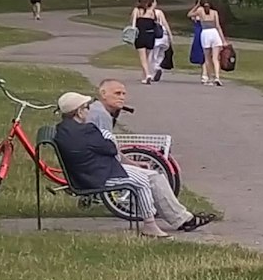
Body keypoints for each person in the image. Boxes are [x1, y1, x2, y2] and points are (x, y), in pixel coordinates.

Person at [80, 80, 216, 233]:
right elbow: (107, 149)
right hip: (99, 169)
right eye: (117, 93)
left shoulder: (97, 111)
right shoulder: (100, 115)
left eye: (124, 94)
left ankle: (182, 218)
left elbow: (109, 148)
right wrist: (130, 164)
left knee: (152, 176)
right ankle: (181, 219)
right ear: (103, 94)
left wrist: (131, 163)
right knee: (153, 177)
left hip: (96, 165)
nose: (122, 97)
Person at [55, 93, 173, 238]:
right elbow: (110, 149)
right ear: (79, 112)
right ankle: (150, 225)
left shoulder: (63, 129)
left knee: (152, 175)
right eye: (86, 108)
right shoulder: (86, 131)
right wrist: (109, 139)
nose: (89, 111)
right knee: (142, 181)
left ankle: (171, 218)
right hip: (99, 176)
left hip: (90, 172)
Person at [187, 0, 228, 86]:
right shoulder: (214, 12)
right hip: (214, 33)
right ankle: (217, 77)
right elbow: (218, 26)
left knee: (207, 58)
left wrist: (196, 6)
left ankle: (209, 78)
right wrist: (223, 40)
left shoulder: (200, 11)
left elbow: (189, 14)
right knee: (215, 58)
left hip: (205, 33)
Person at [131, 0, 170, 83]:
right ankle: (144, 76)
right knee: (147, 57)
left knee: (142, 58)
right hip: (150, 36)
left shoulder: (137, 11)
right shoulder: (152, 12)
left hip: (141, 35)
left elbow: (133, 25)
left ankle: (148, 74)